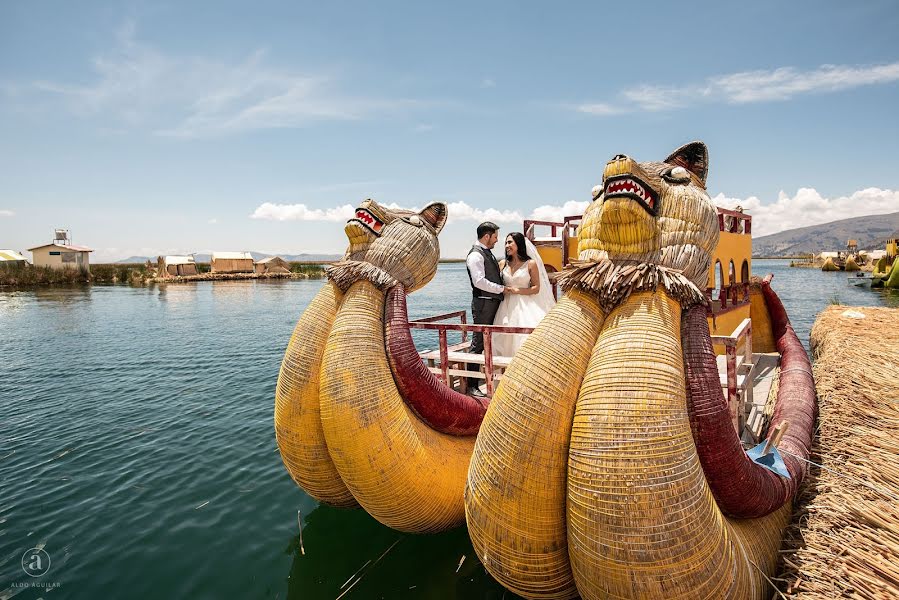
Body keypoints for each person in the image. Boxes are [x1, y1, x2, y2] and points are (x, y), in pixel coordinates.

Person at [465, 222, 512, 395]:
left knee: (487, 342)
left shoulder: (486, 253)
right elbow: (479, 282)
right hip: (483, 304)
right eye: (495, 237)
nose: (496, 241)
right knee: (478, 343)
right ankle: (472, 386)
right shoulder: (475, 256)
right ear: (486, 236)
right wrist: (501, 289)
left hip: (490, 302)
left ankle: (483, 379)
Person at [492, 232, 556, 357]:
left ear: (519, 244)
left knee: (524, 339)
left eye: (510, 242)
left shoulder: (530, 263)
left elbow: (536, 288)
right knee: (505, 339)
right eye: (506, 242)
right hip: (506, 306)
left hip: (525, 305)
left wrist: (518, 291)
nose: (506, 245)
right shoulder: (502, 263)